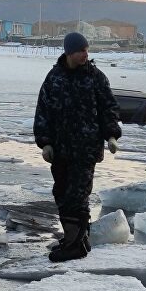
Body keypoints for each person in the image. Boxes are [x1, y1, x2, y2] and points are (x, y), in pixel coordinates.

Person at [33, 32, 122, 263]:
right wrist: (45, 142)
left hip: (86, 149)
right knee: (62, 193)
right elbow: (44, 111)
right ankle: (76, 239)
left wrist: (111, 134)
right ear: (69, 52)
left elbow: (108, 108)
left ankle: (75, 245)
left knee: (77, 196)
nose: (85, 54)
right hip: (61, 150)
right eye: (81, 50)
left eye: (86, 50)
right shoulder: (54, 78)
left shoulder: (95, 78)